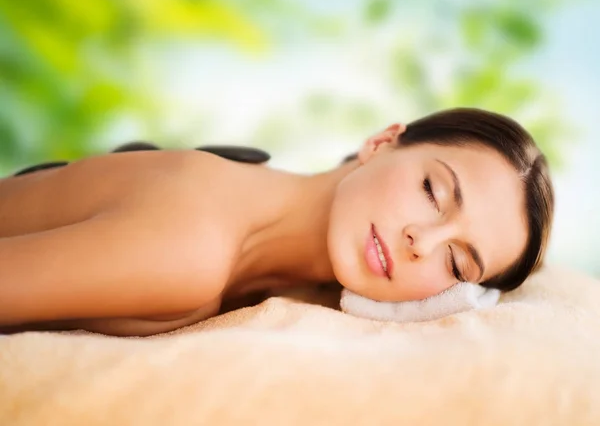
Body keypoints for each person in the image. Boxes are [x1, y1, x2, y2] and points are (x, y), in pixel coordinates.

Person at [0, 107, 554, 336]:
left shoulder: (288, 280)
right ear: (382, 142)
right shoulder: (194, 247)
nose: (420, 242)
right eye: (433, 191)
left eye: (456, 262)